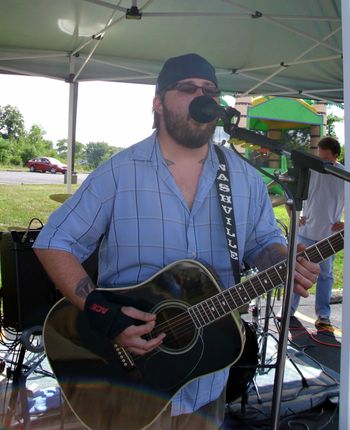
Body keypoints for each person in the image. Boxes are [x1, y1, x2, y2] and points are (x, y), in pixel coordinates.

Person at [33, 53, 319, 430]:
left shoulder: (246, 179)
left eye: (210, 91)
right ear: (158, 102)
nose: (202, 98)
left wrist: (282, 258)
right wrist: (103, 313)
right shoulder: (120, 172)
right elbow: (53, 241)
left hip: (205, 375)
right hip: (127, 375)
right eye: (188, 89)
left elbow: (263, 241)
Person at [290, 136, 344, 331]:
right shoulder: (311, 169)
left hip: (329, 235)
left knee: (325, 276)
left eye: (326, 160)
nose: (322, 163)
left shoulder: (345, 174)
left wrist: (345, 224)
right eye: (319, 158)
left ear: (336, 157)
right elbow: (292, 192)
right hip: (306, 231)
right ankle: (289, 311)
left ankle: (323, 316)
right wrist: (294, 213)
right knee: (297, 271)